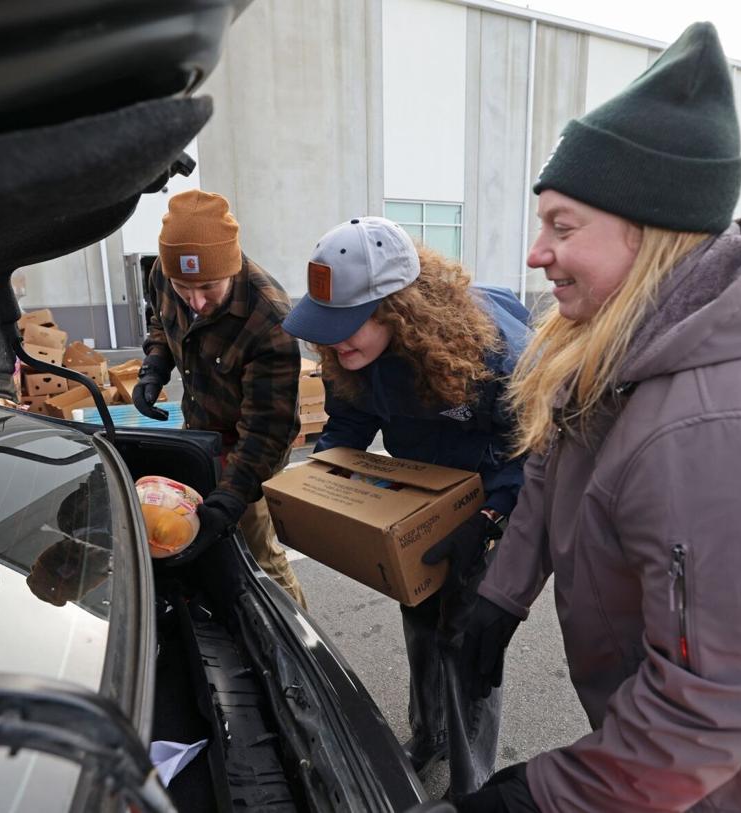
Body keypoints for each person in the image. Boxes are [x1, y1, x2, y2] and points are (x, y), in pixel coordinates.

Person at [455, 22, 741, 813]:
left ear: (651, 233)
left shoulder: (736, 428)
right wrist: (503, 593)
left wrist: (539, 798)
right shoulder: (631, 344)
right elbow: (555, 462)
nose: (535, 252)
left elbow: (721, 698)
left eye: (563, 227)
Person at [282, 216, 531, 797]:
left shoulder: (494, 356)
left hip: (490, 501)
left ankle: (472, 779)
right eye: (328, 327)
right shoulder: (356, 356)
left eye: (348, 326)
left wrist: (491, 520)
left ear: (399, 310)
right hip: (420, 504)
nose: (337, 342)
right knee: (421, 622)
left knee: (469, 638)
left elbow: (533, 450)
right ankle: (429, 736)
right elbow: (347, 424)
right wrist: (324, 485)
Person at [133, 189, 307, 608]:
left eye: (208, 287)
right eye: (183, 287)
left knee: (255, 548)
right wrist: (154, 368)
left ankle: (302, 642)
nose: (195, 301)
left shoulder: (270, 319)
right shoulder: (162, 272)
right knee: (187, 533)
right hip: (199, 433)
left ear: (230, 267)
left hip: (250, 448)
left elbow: (267, 430)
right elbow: (161, 320)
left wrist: (231, 498)